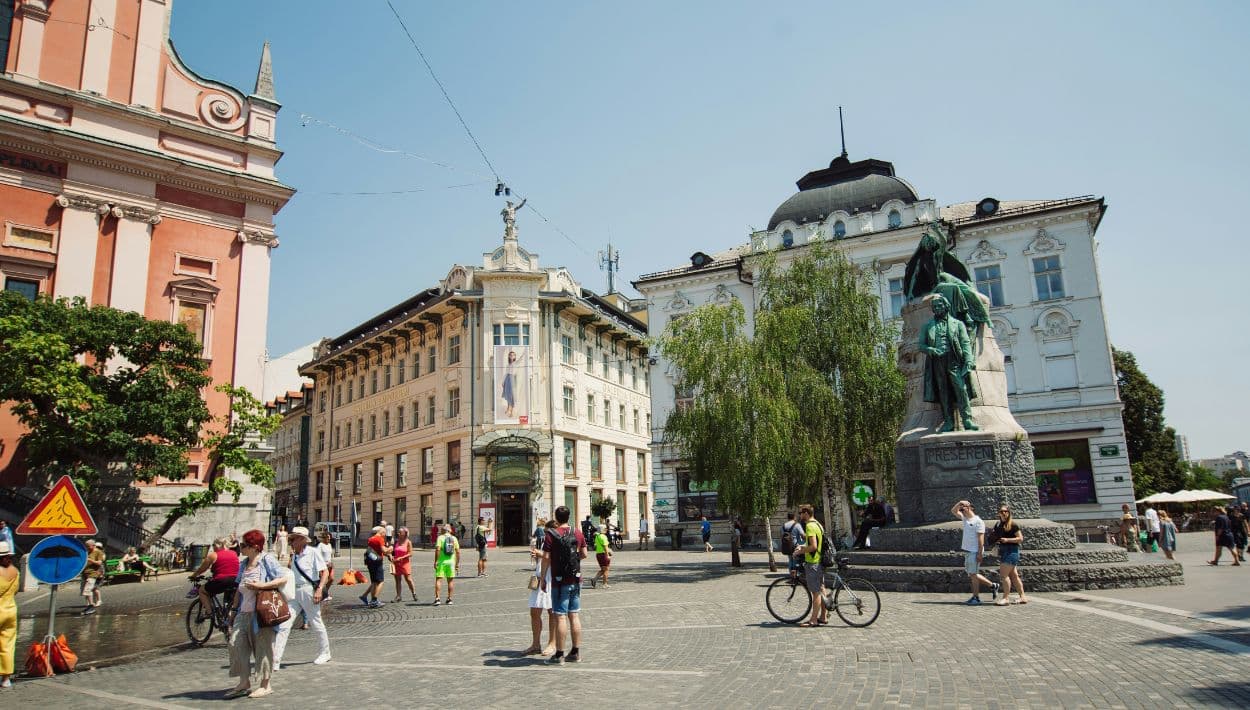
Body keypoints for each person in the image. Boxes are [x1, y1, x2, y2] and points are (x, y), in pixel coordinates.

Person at [224, 529, 284, 699]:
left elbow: (282, 578)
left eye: (244, 545)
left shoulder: (266, 560)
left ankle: (266, 685)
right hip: (243, 611)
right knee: (236, 644)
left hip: (262, 613)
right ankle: (244, 682)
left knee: (263, 648)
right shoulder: (243, 564)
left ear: (254, 546)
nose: (241, 548)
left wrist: (261, 586)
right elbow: (238, 589)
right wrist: (233, 610)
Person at [919, 295, 979, 432]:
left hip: (954, 360)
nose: (937, 308)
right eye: (935, 307)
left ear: (946, 306)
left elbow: (965, 343)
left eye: (940, 305)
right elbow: (921, 345)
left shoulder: (958, 324)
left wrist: (969, 360)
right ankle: (948, 422)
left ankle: (967, 420)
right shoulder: (928, 326)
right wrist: (931, 349)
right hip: (937, 363)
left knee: (961, 389)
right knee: (943, 392)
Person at [540, 505, 587, 664]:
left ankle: (559, 654)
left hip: (559, 581)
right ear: (569, 516)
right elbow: (585, 554)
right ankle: (575, 652)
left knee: (560, 616)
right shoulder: (577, 532)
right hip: (575, 579)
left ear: (556, 517)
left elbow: (546, 557)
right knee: (574, 615)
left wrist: (542, 579)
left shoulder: (550, 534)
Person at [285, 527, 331, 666]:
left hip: (308, 591)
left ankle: (325, 652)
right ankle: (275, 657)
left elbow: (325, 573)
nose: (291, 541)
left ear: (301, 540)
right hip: (294, 592)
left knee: (316, 621)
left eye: (293, 539)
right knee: (285, 623)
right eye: (291, 539)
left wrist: (319, 590)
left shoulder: (313, 552)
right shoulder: (294, 555)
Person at [952, 500, 998, 605]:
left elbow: (981, 539)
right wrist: (959, 503)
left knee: (973, 574)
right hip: (968, 551)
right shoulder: (965, 519)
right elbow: (953, 511)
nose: (962, 509)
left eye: (964, 508)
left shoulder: (978, 521)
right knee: (972, 574)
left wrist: (979, 554)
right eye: (961, 508)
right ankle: (993, 586)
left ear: (971, 508)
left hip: (974, 551)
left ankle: (976, 598)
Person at [524, 519, 557, 656]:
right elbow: (544, 557)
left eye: (547, 532)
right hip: (540, 577)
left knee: (552, 612)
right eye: (545, 532)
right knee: (534, 611)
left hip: (551, 578)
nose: (546, 535)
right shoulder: (544, 541)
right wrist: (537, 556)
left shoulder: (558, 540)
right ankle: (536, 644)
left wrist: (541, 554)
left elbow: (556, 558)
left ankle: (552, 643)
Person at [791, 504, 827, 627]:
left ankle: (813, 620)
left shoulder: (810, 526)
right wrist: (802, 546)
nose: (799, 515)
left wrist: (800, 551)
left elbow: (813, 546)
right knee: (821, 589)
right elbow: (814, 542)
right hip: (819, 561)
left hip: (813, 562)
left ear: (806, 513)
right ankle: (823, 616)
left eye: (801, 513)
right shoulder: (818, 524)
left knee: (816, 592)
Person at [190, 537, 240, 615]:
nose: (213, 547)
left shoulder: (213, 555)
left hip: (221, 581)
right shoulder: (234, 553)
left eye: (213, 545)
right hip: (235, 580)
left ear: (218, 545)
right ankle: (226, 613)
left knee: (202, 590)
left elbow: (202, 569)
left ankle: (210, 612)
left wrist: (194, 575)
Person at [991, 505, 1027, 606]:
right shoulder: (998, 524)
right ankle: (1023, 597)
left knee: (1004, 575)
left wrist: (1007, 540)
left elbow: (1020, 538)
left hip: (1011, 551)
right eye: (1001, 511)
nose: (1003, 513)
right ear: (998, 513)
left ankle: (1006, 598)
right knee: (1014, 576)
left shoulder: (1013, 524)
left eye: (1005, 511)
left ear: (1009, 512)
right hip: (1004, 550)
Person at [0, 540, 17, 689]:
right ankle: (6, 679)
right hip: (11, 610)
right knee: (7, 646)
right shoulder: (14, 570)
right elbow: (16, 590)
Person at [360, 525, 389, 607]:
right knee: (380, 581)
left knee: (374, 582)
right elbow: (384, 550)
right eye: (385, 534)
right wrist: (390, 548)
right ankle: (374, 600)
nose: (385, 535)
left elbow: (375, 550)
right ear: (382, 532)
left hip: (370, 562)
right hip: (377, 562)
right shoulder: (380, 539)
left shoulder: (371, 539)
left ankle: (368, 598)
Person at [433, 523, 460, 606]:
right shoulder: (454, 538)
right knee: (450, 581)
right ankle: (449, 599)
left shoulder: (440, 538)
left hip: (441, 562)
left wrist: (436, 561)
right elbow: (458, 552)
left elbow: (437, 550)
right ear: (450, 530)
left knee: (438, 579)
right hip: (451, 562)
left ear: (444, 530)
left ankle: (437, 599)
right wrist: (457, 564)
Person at [391, 527, 417, 602]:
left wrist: (401, 557)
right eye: (398, 532)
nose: (398, 533)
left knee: (408, 579)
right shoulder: (396, 541)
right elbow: (393, 552)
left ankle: (414, 593)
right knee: (397, 580)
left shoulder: (408, 542)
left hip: (405, 563)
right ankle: (398, 596)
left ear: (405, 534)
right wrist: (391, 557)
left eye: (400, 532)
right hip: (396, 563)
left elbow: (410, 553)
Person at [80, 539, 105, 615]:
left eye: (88, 546)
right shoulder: (87, 552)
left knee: (88, 590)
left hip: (92, 574)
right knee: (84, 591)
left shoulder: (98, 552)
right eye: (86, 546)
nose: (87, 547)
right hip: (85, 573)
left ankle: (91, 606)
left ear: (93, 545)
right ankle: (89, 606)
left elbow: (99, 563)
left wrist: (90, 560)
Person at [781, 512, 805, 581]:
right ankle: (795, 577)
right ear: (794, 517)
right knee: (795, 561)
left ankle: (791, 577)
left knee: (790, 561)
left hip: (786, 546)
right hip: (795, 546)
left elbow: (781, 536)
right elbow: (803, 535)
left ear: (788, 517)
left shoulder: (784, 525)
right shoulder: (797, 525)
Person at [316, 531, 335, 603]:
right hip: (323, 566)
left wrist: (331, 562)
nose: (329, 539)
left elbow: (330, 555)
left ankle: (325, 592)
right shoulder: (320, 545)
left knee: (332, 579)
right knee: (323, 581)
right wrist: (322, 564)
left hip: (330, 565)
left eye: (330, 538)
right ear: (324, 538)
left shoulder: (329, 545)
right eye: (328, 538)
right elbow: (317, 556)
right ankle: (323, 594)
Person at [501, 350, 518, 417]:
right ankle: (508, 408)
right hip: (507, 379)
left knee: (511, 395)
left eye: (513, 355)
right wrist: (503, 381)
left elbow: (515, 372)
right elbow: (506, 373)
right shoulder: (508, 365)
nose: (512, 356)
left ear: (515, 356)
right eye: (511, 355)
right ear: (509, 356)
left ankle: (511, 411)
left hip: (513, 379)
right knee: (508, 395)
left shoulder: (516, 363)